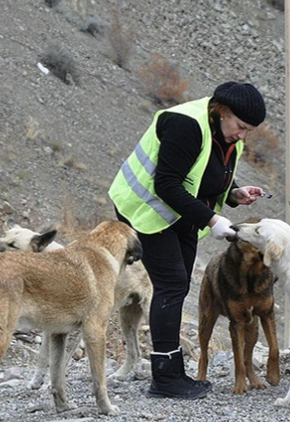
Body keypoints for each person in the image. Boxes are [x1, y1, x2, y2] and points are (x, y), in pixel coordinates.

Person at [108, 81, 267, 399]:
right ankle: (165, 379)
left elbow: (206, 171)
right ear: (223, 112)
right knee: (172, 284)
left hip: (182, 214)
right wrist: (213, 220)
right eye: (240, 126)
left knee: (177, 286)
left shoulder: (224, 134)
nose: (242, 135)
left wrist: (233, 193)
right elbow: (167, 184)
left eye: (249, 130)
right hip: (146, 209)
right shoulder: (185, 124)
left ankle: (173, 371)